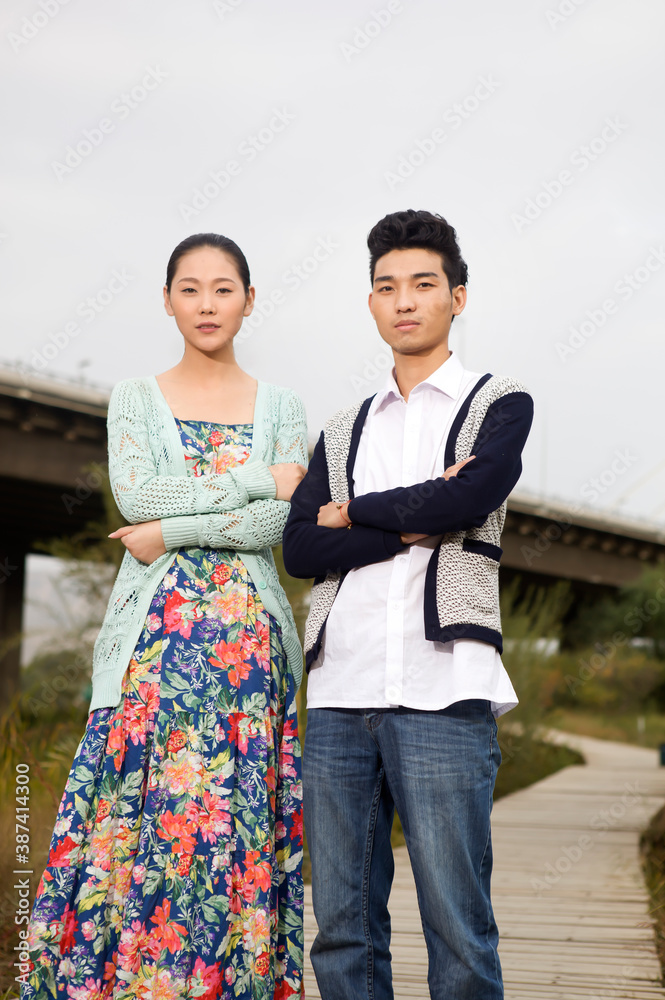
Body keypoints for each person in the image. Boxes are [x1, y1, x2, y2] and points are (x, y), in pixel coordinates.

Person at [24, 233, 307, 1000]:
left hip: (249, 649)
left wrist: (169, 534)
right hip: (153, 649)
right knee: (140, 818)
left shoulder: (283, 406)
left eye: (223, 289)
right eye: (190, 288)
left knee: (232, 825)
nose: (207, 304)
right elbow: (136, 498)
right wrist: (254, 477)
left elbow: (269, 527)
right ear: (166, 299)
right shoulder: (134, 397)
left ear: (250, 299)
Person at [282, 209, 534, 1000]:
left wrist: (353, 511)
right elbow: (299, 550)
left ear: (457, 297)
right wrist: (415, 517)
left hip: (444, 692)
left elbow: (475, 494)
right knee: (344, 932)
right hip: (338, 695)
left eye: (422, 285)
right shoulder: (342, 426)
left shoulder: (501, 402)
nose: (404, 301)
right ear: (370, 305)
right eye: (386, 287)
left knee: (457, 926)